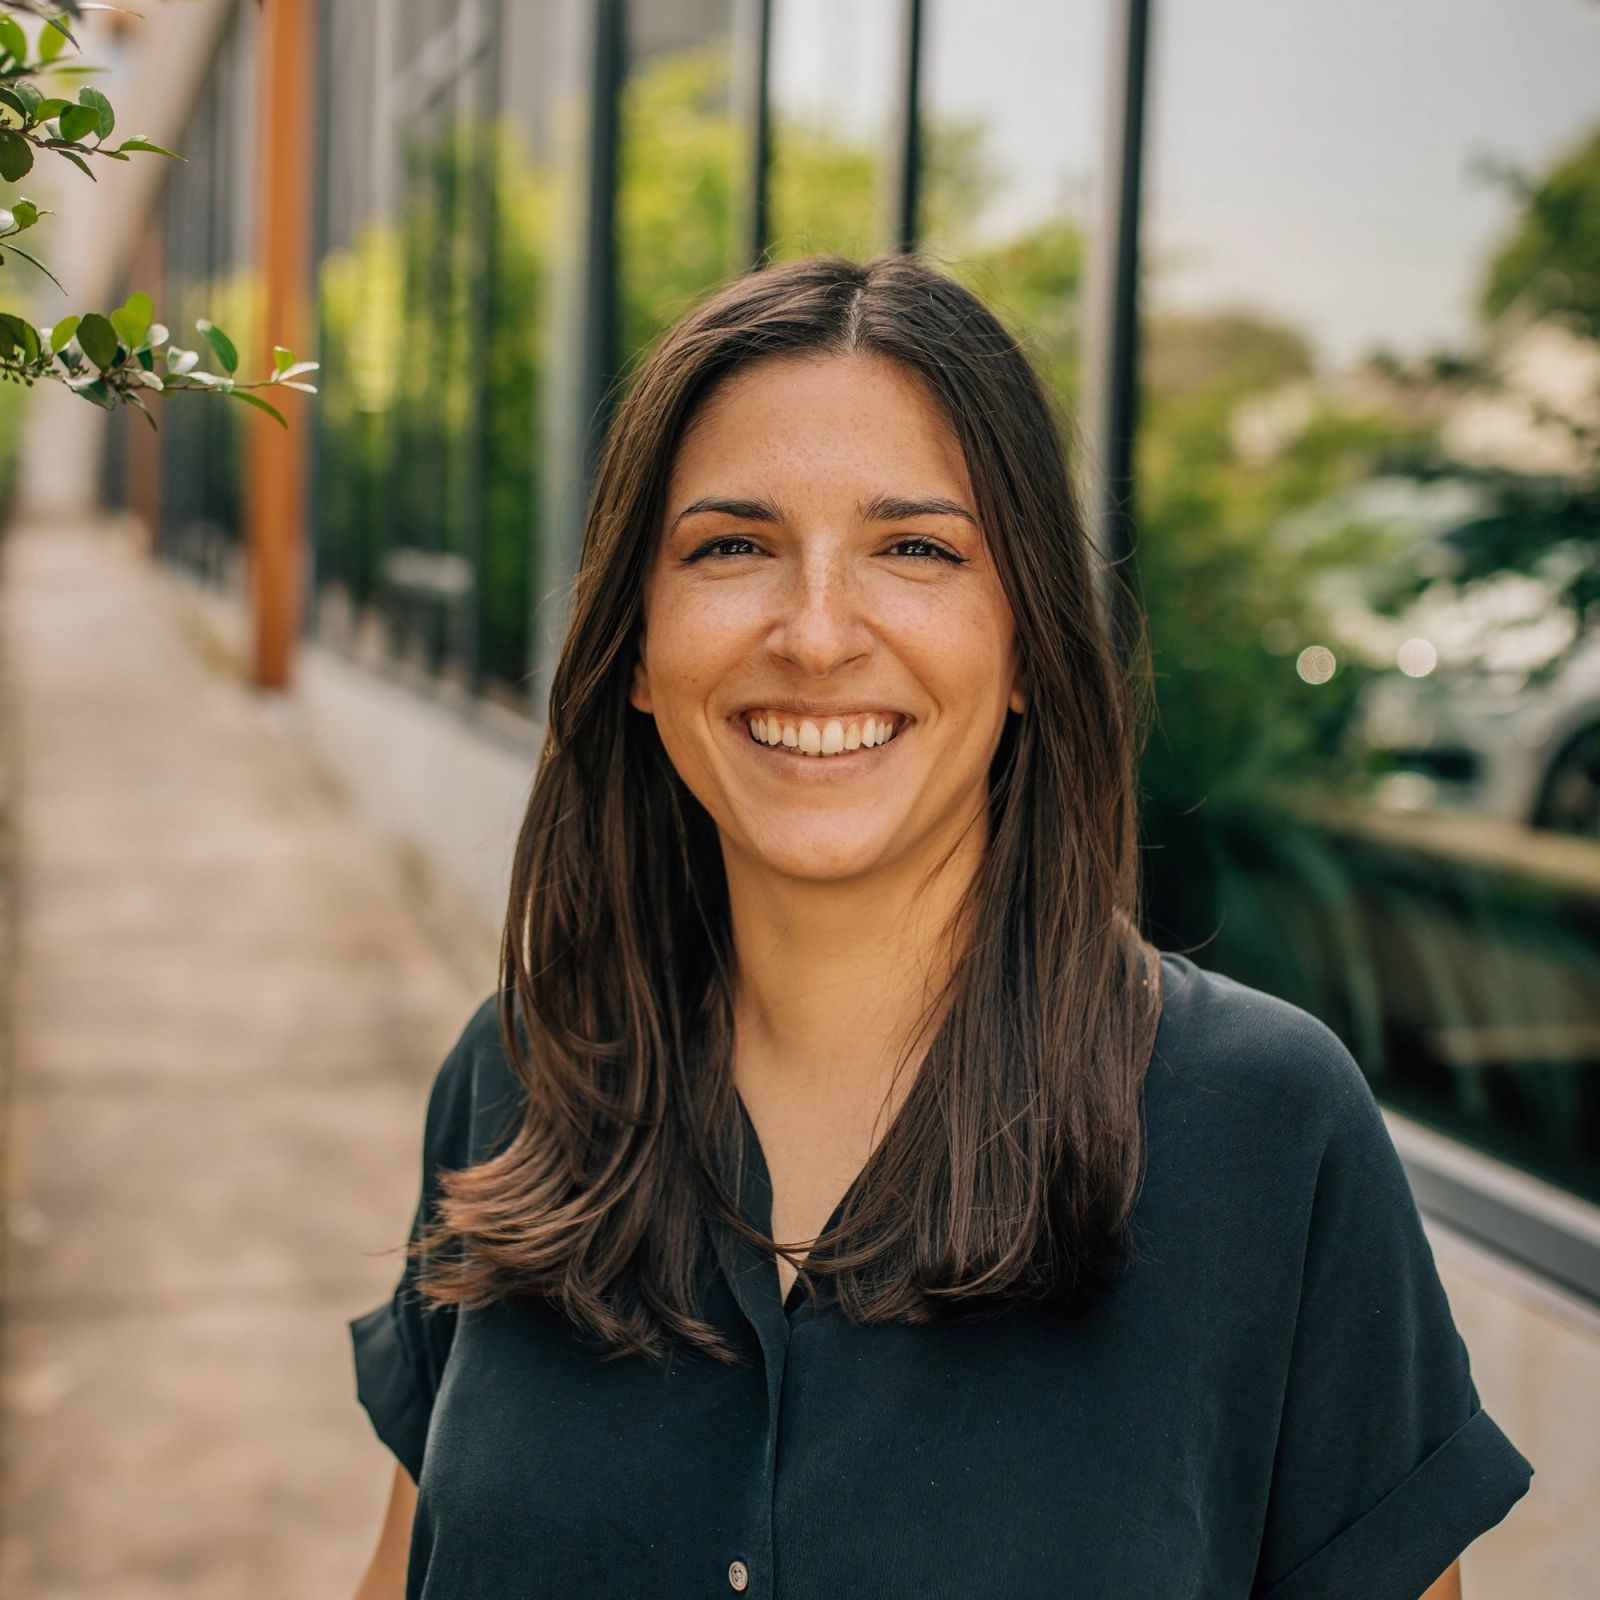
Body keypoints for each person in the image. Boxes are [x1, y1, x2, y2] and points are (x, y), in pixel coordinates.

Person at [347, 254, 1531, 1599]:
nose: (814, 632)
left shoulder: (1267, 1131)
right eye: (732, 546)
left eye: (915, 548)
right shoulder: (520, 1075)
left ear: (1027, 642)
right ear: (631, 644)